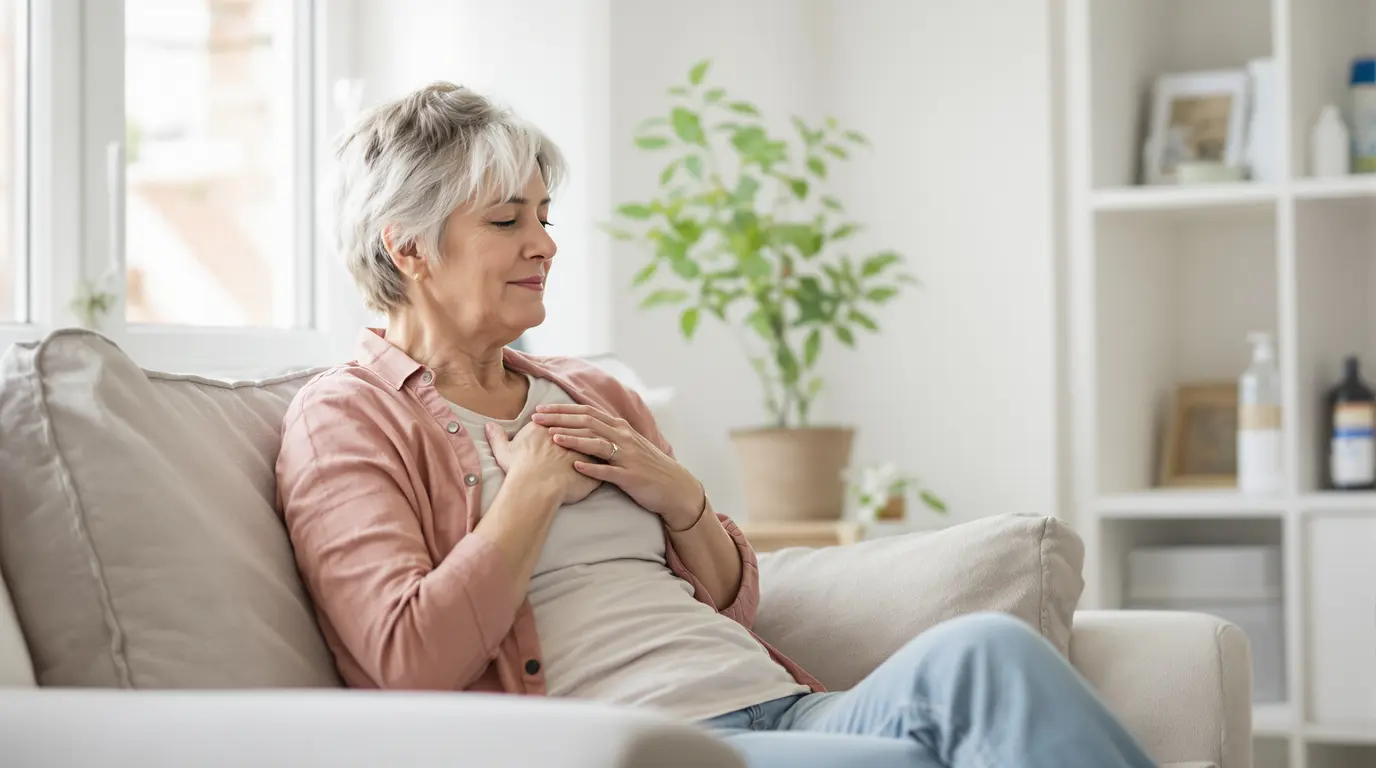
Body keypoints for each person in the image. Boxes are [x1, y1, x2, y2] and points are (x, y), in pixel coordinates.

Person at [275, 81, 1155, 768]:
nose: (544, 243)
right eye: (507, 220)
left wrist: (685, 501)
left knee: (988, 654)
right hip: (655, 747)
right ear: (407, 248)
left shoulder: (590, 392)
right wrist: (530, 493)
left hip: (792, 712)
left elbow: (737, 599)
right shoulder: (346, 419)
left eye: (545, 217)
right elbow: (404, 661)